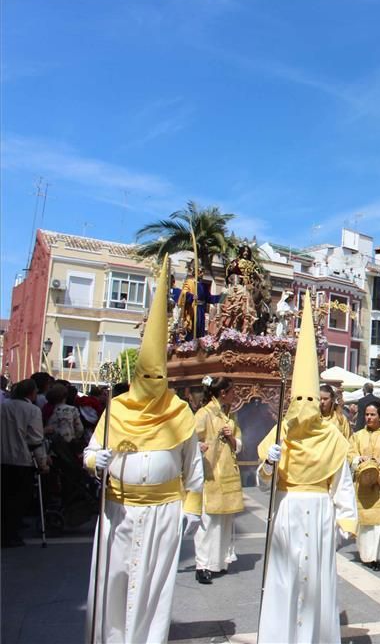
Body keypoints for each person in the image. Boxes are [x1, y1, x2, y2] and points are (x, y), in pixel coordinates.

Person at [83, 257, 204, 643]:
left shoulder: (179, 411)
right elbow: (90, 451)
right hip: (120, 511)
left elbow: (193, 466)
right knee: (116, 579)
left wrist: (191, 509)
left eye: (159, 376)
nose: (153, 383)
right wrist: (94, 461)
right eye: (146, 376)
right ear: (137, 376)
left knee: (155, 584)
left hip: (164, 513)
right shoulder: (116, 409)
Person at [256, 291, 357, 644]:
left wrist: (343, 526)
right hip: (286, 511)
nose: (302, 406)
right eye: (298, 399)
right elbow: (263, 483)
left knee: (316, 585)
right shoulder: (280, 433)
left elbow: (343, 485)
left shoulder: (332, 437)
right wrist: (268, 464)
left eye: (309, 400)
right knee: (284, 581)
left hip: (319, 515)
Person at [192, 375, 243, 584]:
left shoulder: (230, 415)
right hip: (210, 472)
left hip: (228, 472)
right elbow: (190, 440)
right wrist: (201, 446)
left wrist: (232, 437)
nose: (235, 395)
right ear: (223, 393)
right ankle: (202, 564)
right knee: (208, 521)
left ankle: (220, 561)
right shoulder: (204, 414)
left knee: (224, 520)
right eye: (232, 391)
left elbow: (239, 443)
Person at [349, 398, 380, 571]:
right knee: (364, 523)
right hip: (362, 485)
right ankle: (365, 555)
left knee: (378, 524)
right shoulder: (357, 436)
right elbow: (350, 453)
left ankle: (374, 556)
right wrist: (358, 459)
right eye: (366, 414)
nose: (369, 418)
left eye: (372, 414)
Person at [1, 379, 47, 548]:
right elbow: (35, 439)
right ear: (32, 393)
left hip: (2, 457)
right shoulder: (33, 410)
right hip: (21, 459)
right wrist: (42, 463)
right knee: (17, 500)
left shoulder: (3, 406)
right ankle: (10, 534)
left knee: (3, 497)